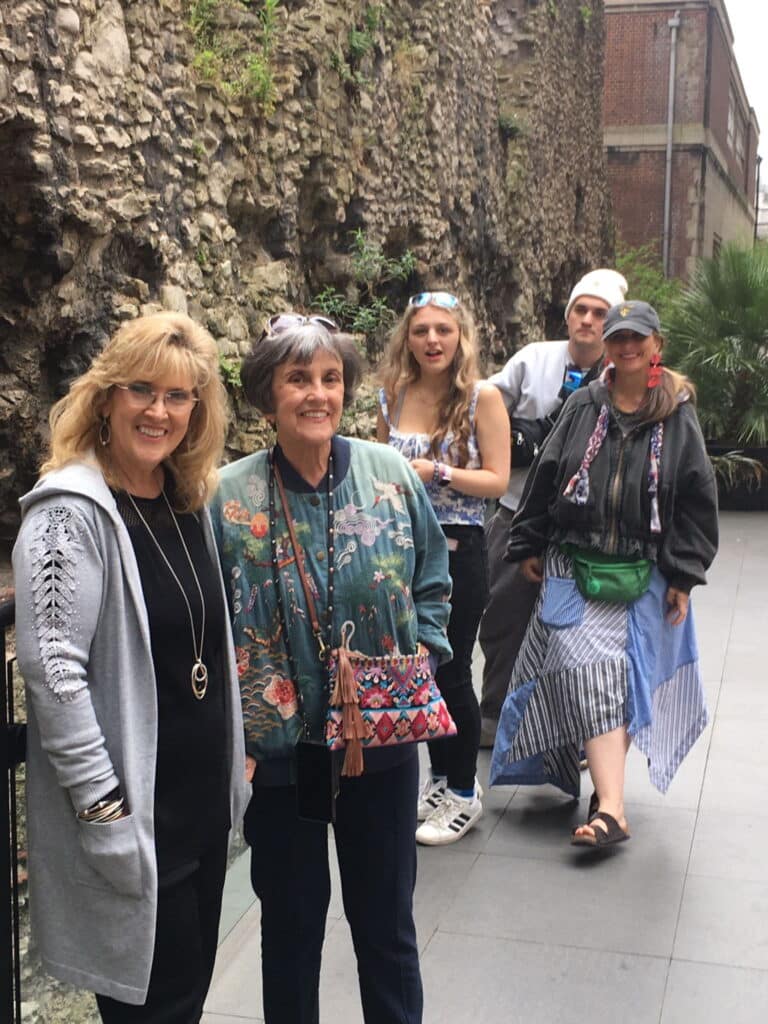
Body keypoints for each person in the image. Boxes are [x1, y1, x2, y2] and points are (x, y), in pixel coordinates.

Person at [210, 313, 452, 1024]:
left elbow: (433, 575)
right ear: (267, 395)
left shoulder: (389, 473)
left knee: (386, 928)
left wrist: (424, 656)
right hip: (280, 755)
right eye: (298, 379)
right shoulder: (226, 497)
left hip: (381, 739)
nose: (317, 394)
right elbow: (211, 615)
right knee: (291, 929)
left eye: (331, 378)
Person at [12, 312, 249, 1021]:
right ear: (107, 396)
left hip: (200, 812)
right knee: (153, 1010)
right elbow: (53, 669)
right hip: (139, 821)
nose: (160, 411)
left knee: (186, 1000)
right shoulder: (69, 513)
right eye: (142, 390)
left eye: (180, 397)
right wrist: (104, 811)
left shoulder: (185, 500)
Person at [490, 300, 718, 847]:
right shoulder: (584, 404)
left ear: (655, 345)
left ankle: (607, 802)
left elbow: (695, 497)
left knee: (618, 677)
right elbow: (546, 474)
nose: (626, 346)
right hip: (573, 561)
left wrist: (683, 575)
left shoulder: (676, 413)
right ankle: (612, 806)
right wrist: (529, 540)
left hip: (644, 568)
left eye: (637, 337)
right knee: (587, 668)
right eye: (618, 338)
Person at [377, 291, 509, 844]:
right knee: (415, 663)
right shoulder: (394, 395)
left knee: (450, 666)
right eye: (421, 330)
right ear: (407, 339)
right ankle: (436, 776)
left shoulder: (483, 398)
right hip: (401, 544)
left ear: (461, 338)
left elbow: (499, 480)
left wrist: (438, 473)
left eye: (443, 331)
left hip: (458, 545)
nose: (432, 340)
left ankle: (462, 789)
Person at [478, 268, 629, 747]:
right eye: (580, 310)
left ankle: (572, 734)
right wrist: (518, 437)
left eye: (599, 313)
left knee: (578, 632)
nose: (587, 320)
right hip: (517, 510)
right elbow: (484, 401)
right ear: (568, 316)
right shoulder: (533, 360)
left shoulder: (622, 374)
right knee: (504, 614)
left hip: (586, 527)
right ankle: (494, 714)